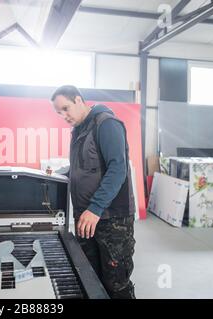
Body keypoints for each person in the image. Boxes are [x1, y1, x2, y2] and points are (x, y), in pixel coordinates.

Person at [51, 85, 136, 299]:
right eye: (59, 112)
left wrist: (95, 208)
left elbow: (118, 169)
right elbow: (81, 168)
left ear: (79, 100)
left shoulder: (106, 124)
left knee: (116, 283)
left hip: (110, 219)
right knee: (91, 278)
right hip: (86, 217)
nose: (63, 116)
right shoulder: (80, 130)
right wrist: (55, 175)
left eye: (66, 108)